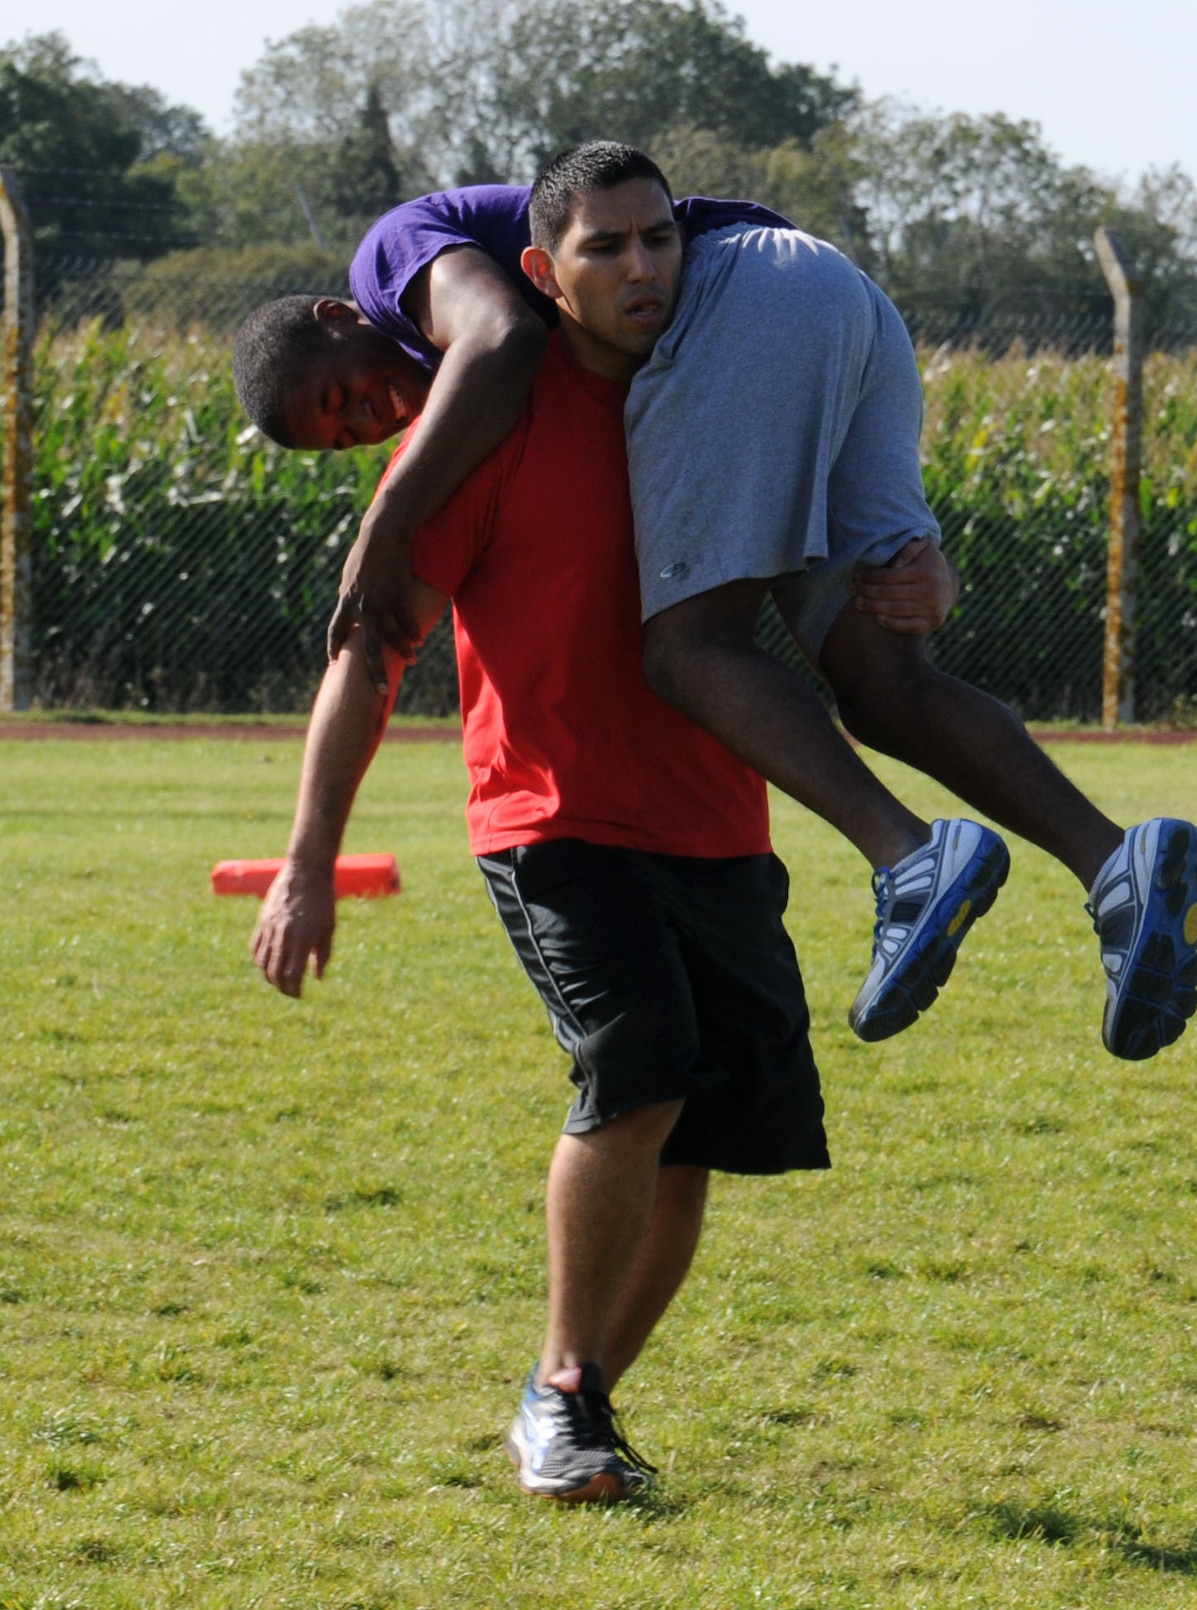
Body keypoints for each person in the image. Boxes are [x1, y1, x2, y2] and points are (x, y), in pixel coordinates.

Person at [249, 156, 968, 1503]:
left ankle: (569, 1398)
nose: (637, 272)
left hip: (718, 822)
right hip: (557, 816)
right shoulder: (474, 427)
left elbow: (860, 548)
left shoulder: (718, 391)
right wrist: (306, 861)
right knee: (639, 1068)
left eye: (654, 245)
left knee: (695, 1133)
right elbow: (368, 653)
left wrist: (921, 567)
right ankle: (567, 1389)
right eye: (603, 249)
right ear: (544, 269)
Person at [233, 147, 1197, 1061]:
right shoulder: (506, 345)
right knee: (879, 676)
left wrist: (386, 520)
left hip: (742, 300)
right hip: (827, 293)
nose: (372, 421)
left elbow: (502, 334)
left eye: (343, 397)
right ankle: (1116, 864)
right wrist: (928, 556)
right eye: (345, 439)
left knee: (690, 648)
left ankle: (907, 857)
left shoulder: (388, 259)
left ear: (337, 317)